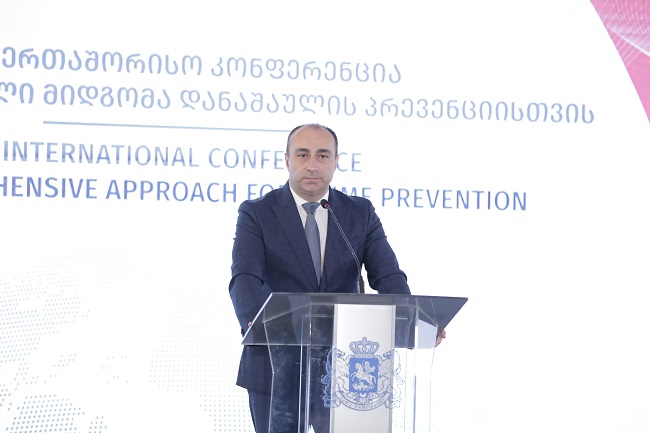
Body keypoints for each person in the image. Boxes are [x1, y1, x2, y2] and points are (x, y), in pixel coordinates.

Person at [228, 123, 445, 433]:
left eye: (322, 155)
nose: (312, 164)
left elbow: (388, 275)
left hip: (347, 365)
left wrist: (414, 320)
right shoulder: (257, 212)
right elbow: (244, 276)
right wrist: (254, 325)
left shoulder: (359, 213)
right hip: (276, 363)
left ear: (336, 162)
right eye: (302, 154)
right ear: (287, 160)